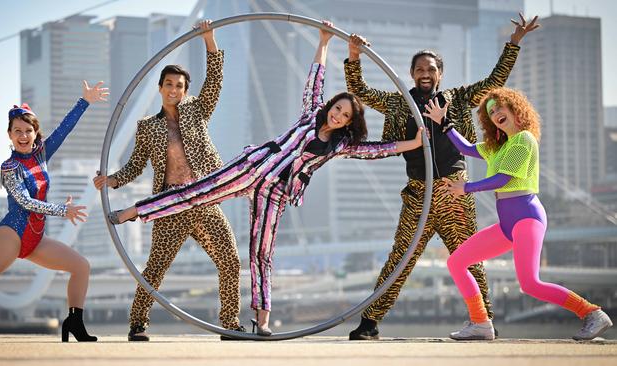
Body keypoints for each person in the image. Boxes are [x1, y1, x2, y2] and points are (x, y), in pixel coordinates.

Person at [107, 21, 423, 336]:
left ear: (349, 123)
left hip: (276, 192)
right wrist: (323, 41)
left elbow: (378, 149)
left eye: (345, 116)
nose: (337, 115)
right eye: (336, 108)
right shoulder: (311, 113)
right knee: (193, 195)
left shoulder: (340, 146)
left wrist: (413, 143)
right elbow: (316, 78)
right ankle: (133, 214)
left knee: (259, 253)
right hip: (252, 167)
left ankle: (261, 320)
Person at [344, 13, 540, 340]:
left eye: (431, 69)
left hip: (454, 191)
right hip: (418, 193)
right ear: (411, 73)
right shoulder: (398, 102)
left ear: (440, 74)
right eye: (419, 69)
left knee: (471, 258)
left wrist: (514, 42)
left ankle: (484, 321)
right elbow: (360, 91)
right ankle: (370, 322)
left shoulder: (457, 99)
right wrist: (353, 56)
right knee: (400, 260)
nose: (425, 74)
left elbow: (495, 80)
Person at [423, 87, 613, 341]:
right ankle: (480, 323)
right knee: (456, 262)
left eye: (501, 107)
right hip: (507, 223)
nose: (496, 113)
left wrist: (466, 188)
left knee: (530, 284)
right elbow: (467, 148)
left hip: (527, 217)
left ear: (515, 109)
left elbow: (504, 178)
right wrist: (444, 123)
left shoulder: (525, 139)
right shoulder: (497, 147)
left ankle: (592, 313)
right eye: (491, 112)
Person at [93, 20, 244, 341]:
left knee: (230, 260)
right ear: (160, 88)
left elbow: (215, 82)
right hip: (170, 206)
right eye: (169, 84)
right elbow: (135, 167)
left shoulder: (197, 111)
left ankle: (230, 324)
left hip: (203, 199)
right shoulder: (147, 127)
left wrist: (209, 39)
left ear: (185, 91)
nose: (174, 90)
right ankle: (137, 323)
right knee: (155, 268)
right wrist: (111, 181)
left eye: (179, 86)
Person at [0, 81, 108, 342]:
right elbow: (24, 201)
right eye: (17, 131)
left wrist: (84, 101)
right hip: (12, 233)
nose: (23, 136)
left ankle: (74, 324)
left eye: (28, 131)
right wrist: (61, 209)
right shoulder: (9, 167)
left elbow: (63, 130)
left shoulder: (41, 155)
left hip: (35, 238)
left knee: (81, 267)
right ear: (9, 134)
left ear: (35, 133)